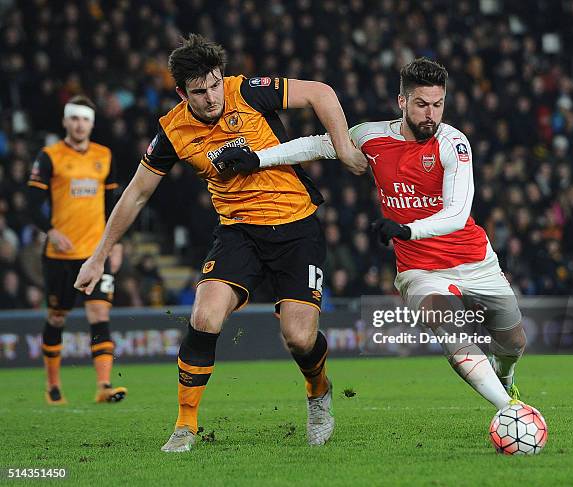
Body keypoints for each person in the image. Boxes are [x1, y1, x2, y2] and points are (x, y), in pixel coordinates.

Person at [74, 34, 367, 452]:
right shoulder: (173, 131)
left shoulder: (246, 91)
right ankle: (185, 425)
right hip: (238, 232)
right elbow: (137, 194)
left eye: (214, 84)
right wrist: (98, 255)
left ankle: (318, 391)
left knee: (299, 338)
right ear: (181, 93)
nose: (212, 97)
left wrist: (342, 148)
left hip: (296, 226)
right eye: (199, 91)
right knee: (205, 317)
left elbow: (321, 93)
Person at [214, 58, 527, 411]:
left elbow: (457, 214)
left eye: (438, 105)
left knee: (513, 341)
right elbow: (318, 145)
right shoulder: (372, 136)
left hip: (474, 260)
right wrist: (258, 158)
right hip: (420, 270)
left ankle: (506, 378)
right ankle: (510, 410)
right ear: (402, 102)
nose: (431, 115)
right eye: (422, 104)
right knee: (449, 327)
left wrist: (407, 229)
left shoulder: (453, 144)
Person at [27, 95, 126, 405]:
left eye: (84, 119)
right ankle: (53, 386)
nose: (79, 124)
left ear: (92, 123)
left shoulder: (104, 156)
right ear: (65, 122)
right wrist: (51, 231)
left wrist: (117, 242)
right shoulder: (50, 156)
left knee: (99, 313)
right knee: (57, 316)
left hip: (95, 253)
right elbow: (30, 203)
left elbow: (115, 205)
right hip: (59, 255)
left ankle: (104, 385)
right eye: (74, 118)